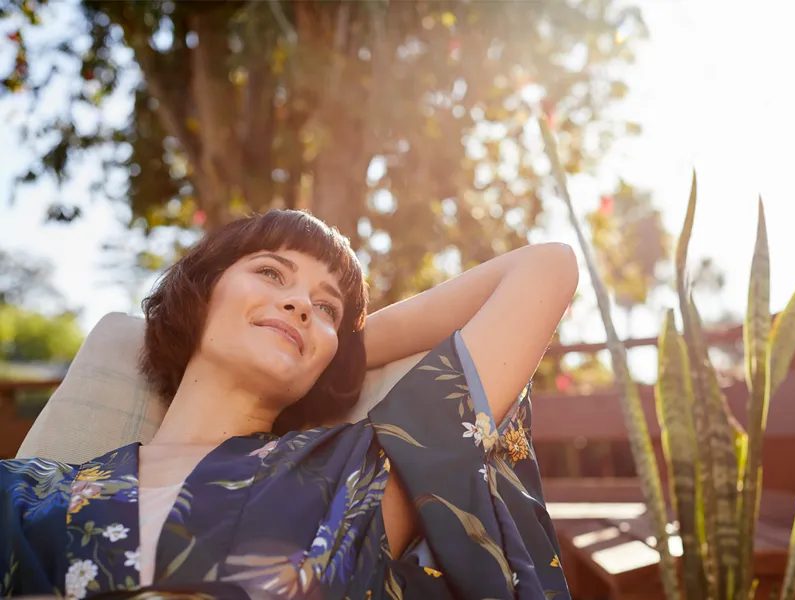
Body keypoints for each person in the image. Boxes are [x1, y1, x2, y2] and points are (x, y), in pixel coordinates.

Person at [0, 209, 578, 600]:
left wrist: (339, 354)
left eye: (324, 307)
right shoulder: (26, 491)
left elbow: (544, 268)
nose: (301, 303)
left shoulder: (356, 471)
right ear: (200, 296)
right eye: (271, 273)